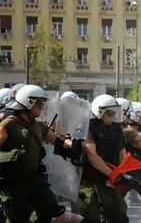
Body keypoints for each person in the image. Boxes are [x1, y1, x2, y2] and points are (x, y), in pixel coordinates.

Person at [0, 84, 82, 222]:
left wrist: (71, 145)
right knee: (17, 218)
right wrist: (9, 156)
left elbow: (57, 141)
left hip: (34, 179)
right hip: (13, 182)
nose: (42, 107)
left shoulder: (38, 125)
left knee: (50, 211)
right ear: (28, 102)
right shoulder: (8, 125)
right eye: (39, 104)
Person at [80, 94, 129, 223]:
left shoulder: (116, 129)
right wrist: (113, 174)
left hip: (110, 180)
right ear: (100, 111)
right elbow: (92, 155)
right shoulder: (88, 127)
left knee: (120, 216)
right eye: (110, 113)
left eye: (114, 113)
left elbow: (122, 153)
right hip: (91, 179)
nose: (113, 116)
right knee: (92, 217)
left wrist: (121, 173)